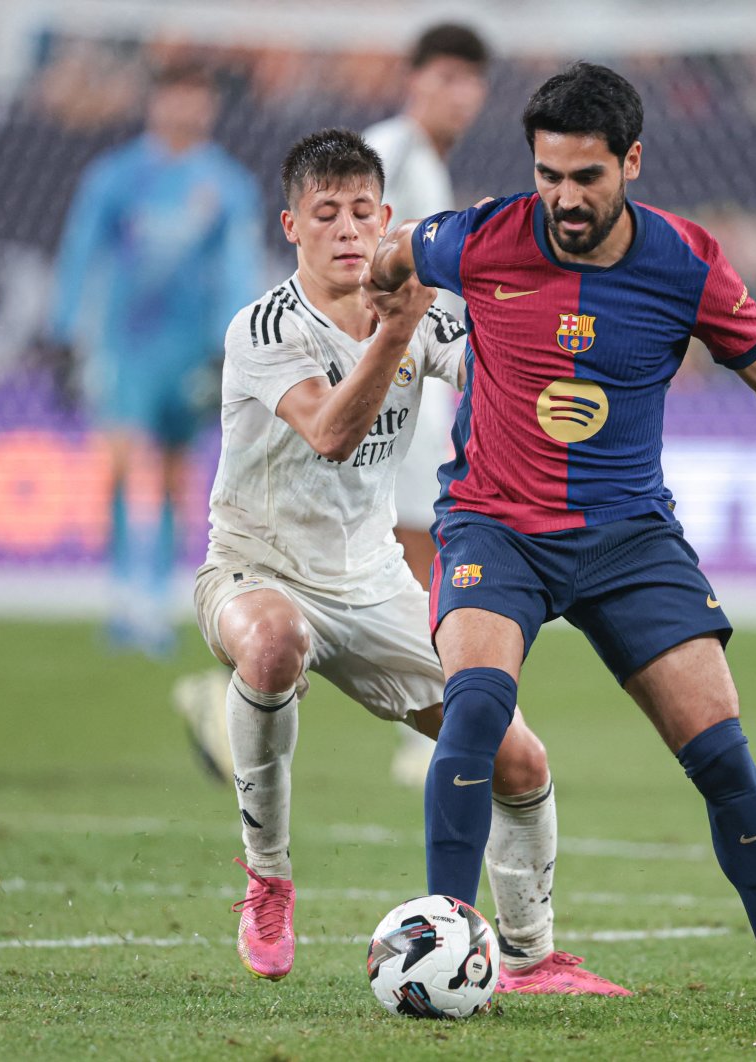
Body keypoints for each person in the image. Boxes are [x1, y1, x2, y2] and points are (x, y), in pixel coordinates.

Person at [367, 63, 756, 1019]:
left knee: (724, 758)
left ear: (632, 162)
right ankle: (446, 938)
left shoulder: (686, 261)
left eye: (587, 178)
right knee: (478, 710)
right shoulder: (487, 234)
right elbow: (398, 252)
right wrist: (380, 305)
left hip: (630, 540)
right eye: (550, 176)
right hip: (496, 523)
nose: (565, 200)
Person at [192, 128, 626, 995]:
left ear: (387, 218)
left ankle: (532, 956)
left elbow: (503, 366)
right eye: (327, 214)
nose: (348, 230)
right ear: (292, 225)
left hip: (377, 583)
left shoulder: (420, 308)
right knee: (273, 642)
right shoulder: (267, 327)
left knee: (519, 761)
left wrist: (576, 357)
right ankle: (268, 880)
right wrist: (399, 325)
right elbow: (332, 433)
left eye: (363, 212)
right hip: (254, 568)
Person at [45, 62, 262, 654]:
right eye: (175, 96)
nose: (185, 109)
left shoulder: (227, 185)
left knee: (173, 473)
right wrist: (63, 332)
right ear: (155, 101)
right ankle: (120, 594)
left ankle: (156, 601)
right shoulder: (116, 177)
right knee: (116, 462)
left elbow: (238, 268)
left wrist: (231, 344)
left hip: (189, 348)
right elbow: (81, 252)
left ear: (211, 107)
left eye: (196, 98)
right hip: (125, 344)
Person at [363, 22, 490, 788]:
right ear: (413, 80)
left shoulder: (427, 163)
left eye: (470, 81)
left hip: (420, 387)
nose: (459, 94)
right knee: (420, 553)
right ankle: (429, 730)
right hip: (391, 388)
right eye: (445, 77)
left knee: (417, 553)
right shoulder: (390, 155)